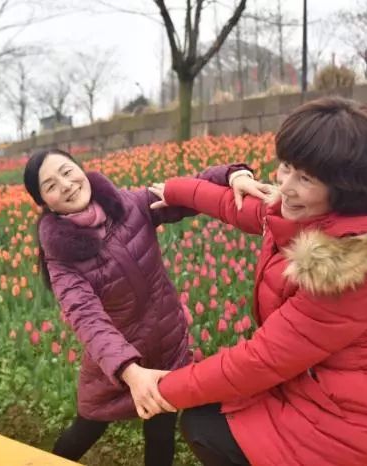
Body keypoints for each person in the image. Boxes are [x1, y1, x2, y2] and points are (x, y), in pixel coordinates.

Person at [148, 97, 367, 466]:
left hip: (341, 431)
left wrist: (160, 389)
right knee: (207, 413)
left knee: (204, 423)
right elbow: (244, 209)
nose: (284, 186)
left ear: (345, 189)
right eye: (286, 167)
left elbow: (259, 360)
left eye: (305, 178)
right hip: (310, 389)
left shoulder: (346, 270)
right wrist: (176, 190)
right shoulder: (319, 213)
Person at [22, 149, 256, 465]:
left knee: (161, 433)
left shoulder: (127, 205)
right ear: (45, 204)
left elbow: (184, 192)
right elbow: (87, 317)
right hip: (117, 364)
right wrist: (130, 372)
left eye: (67, 171)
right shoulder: (61, 259)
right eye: (50, 185)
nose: (65, 185)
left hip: (166, 346)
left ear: (81, 168)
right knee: (87, 427)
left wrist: (232, 175)